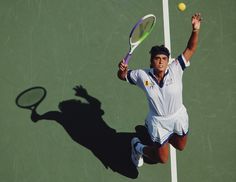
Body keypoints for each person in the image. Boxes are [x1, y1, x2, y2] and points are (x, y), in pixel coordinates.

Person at [117, 13, 202, 167]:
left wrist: (195, 30)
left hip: (178, 116)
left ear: (168, 61)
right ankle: (137, 147)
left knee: (181, 146)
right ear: (152, 62)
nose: (161, 62)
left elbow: (190, 48)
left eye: (164, 59)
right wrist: (122, 70)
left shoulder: (176, 68)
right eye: (157, 59)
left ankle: (160, 140)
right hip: (158, 122)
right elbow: (122, 76)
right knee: (162, 159)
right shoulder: (142, 75)